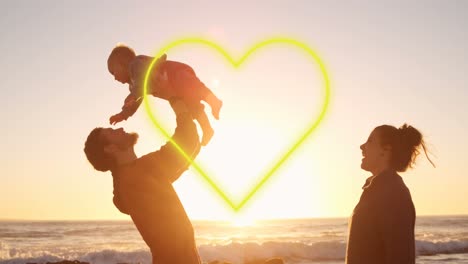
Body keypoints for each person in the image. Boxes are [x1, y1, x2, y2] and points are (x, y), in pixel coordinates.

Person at [84, 98, 203, 264]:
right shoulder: (139, 173)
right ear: (110, 149)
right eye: (111, 132)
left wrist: (196, 139)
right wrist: (176, 101)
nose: (120, 129)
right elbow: (186, 141)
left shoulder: (130, 180)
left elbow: (183, 155)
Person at [346, 123, 435, 264]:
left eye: (370, 141)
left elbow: (401, 256)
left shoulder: (393, 193)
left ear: (385, 150)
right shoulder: (377, 189)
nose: (362, 147)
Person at [107, 44, 223, 146]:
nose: (115, 78)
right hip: (174, 90)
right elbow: (135, 101)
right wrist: (123, 114)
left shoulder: (135, 64)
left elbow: (142, 80)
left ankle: (213, 100)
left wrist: (133, 95)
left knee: (192, 87)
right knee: (192, 106)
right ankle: (207, 129)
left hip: (174, 73)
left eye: (114, 72)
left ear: (123, 62)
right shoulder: (134, 86)